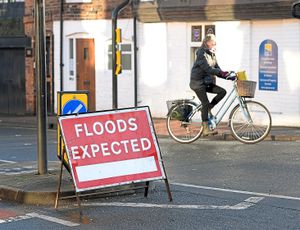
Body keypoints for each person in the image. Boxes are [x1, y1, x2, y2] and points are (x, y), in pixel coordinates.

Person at [190, 33, 235, 136]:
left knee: (222, 92)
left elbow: (217, 69)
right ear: (207, 42)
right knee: (204, 103)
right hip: (197, 83)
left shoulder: (212, 54)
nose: (215, 44)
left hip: (206, 82)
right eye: (213, 42)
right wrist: (221, 73)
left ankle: (208, 108)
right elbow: (208, 69)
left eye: (215, 43)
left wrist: (228, 75)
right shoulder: (201, 53)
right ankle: (205, 129)